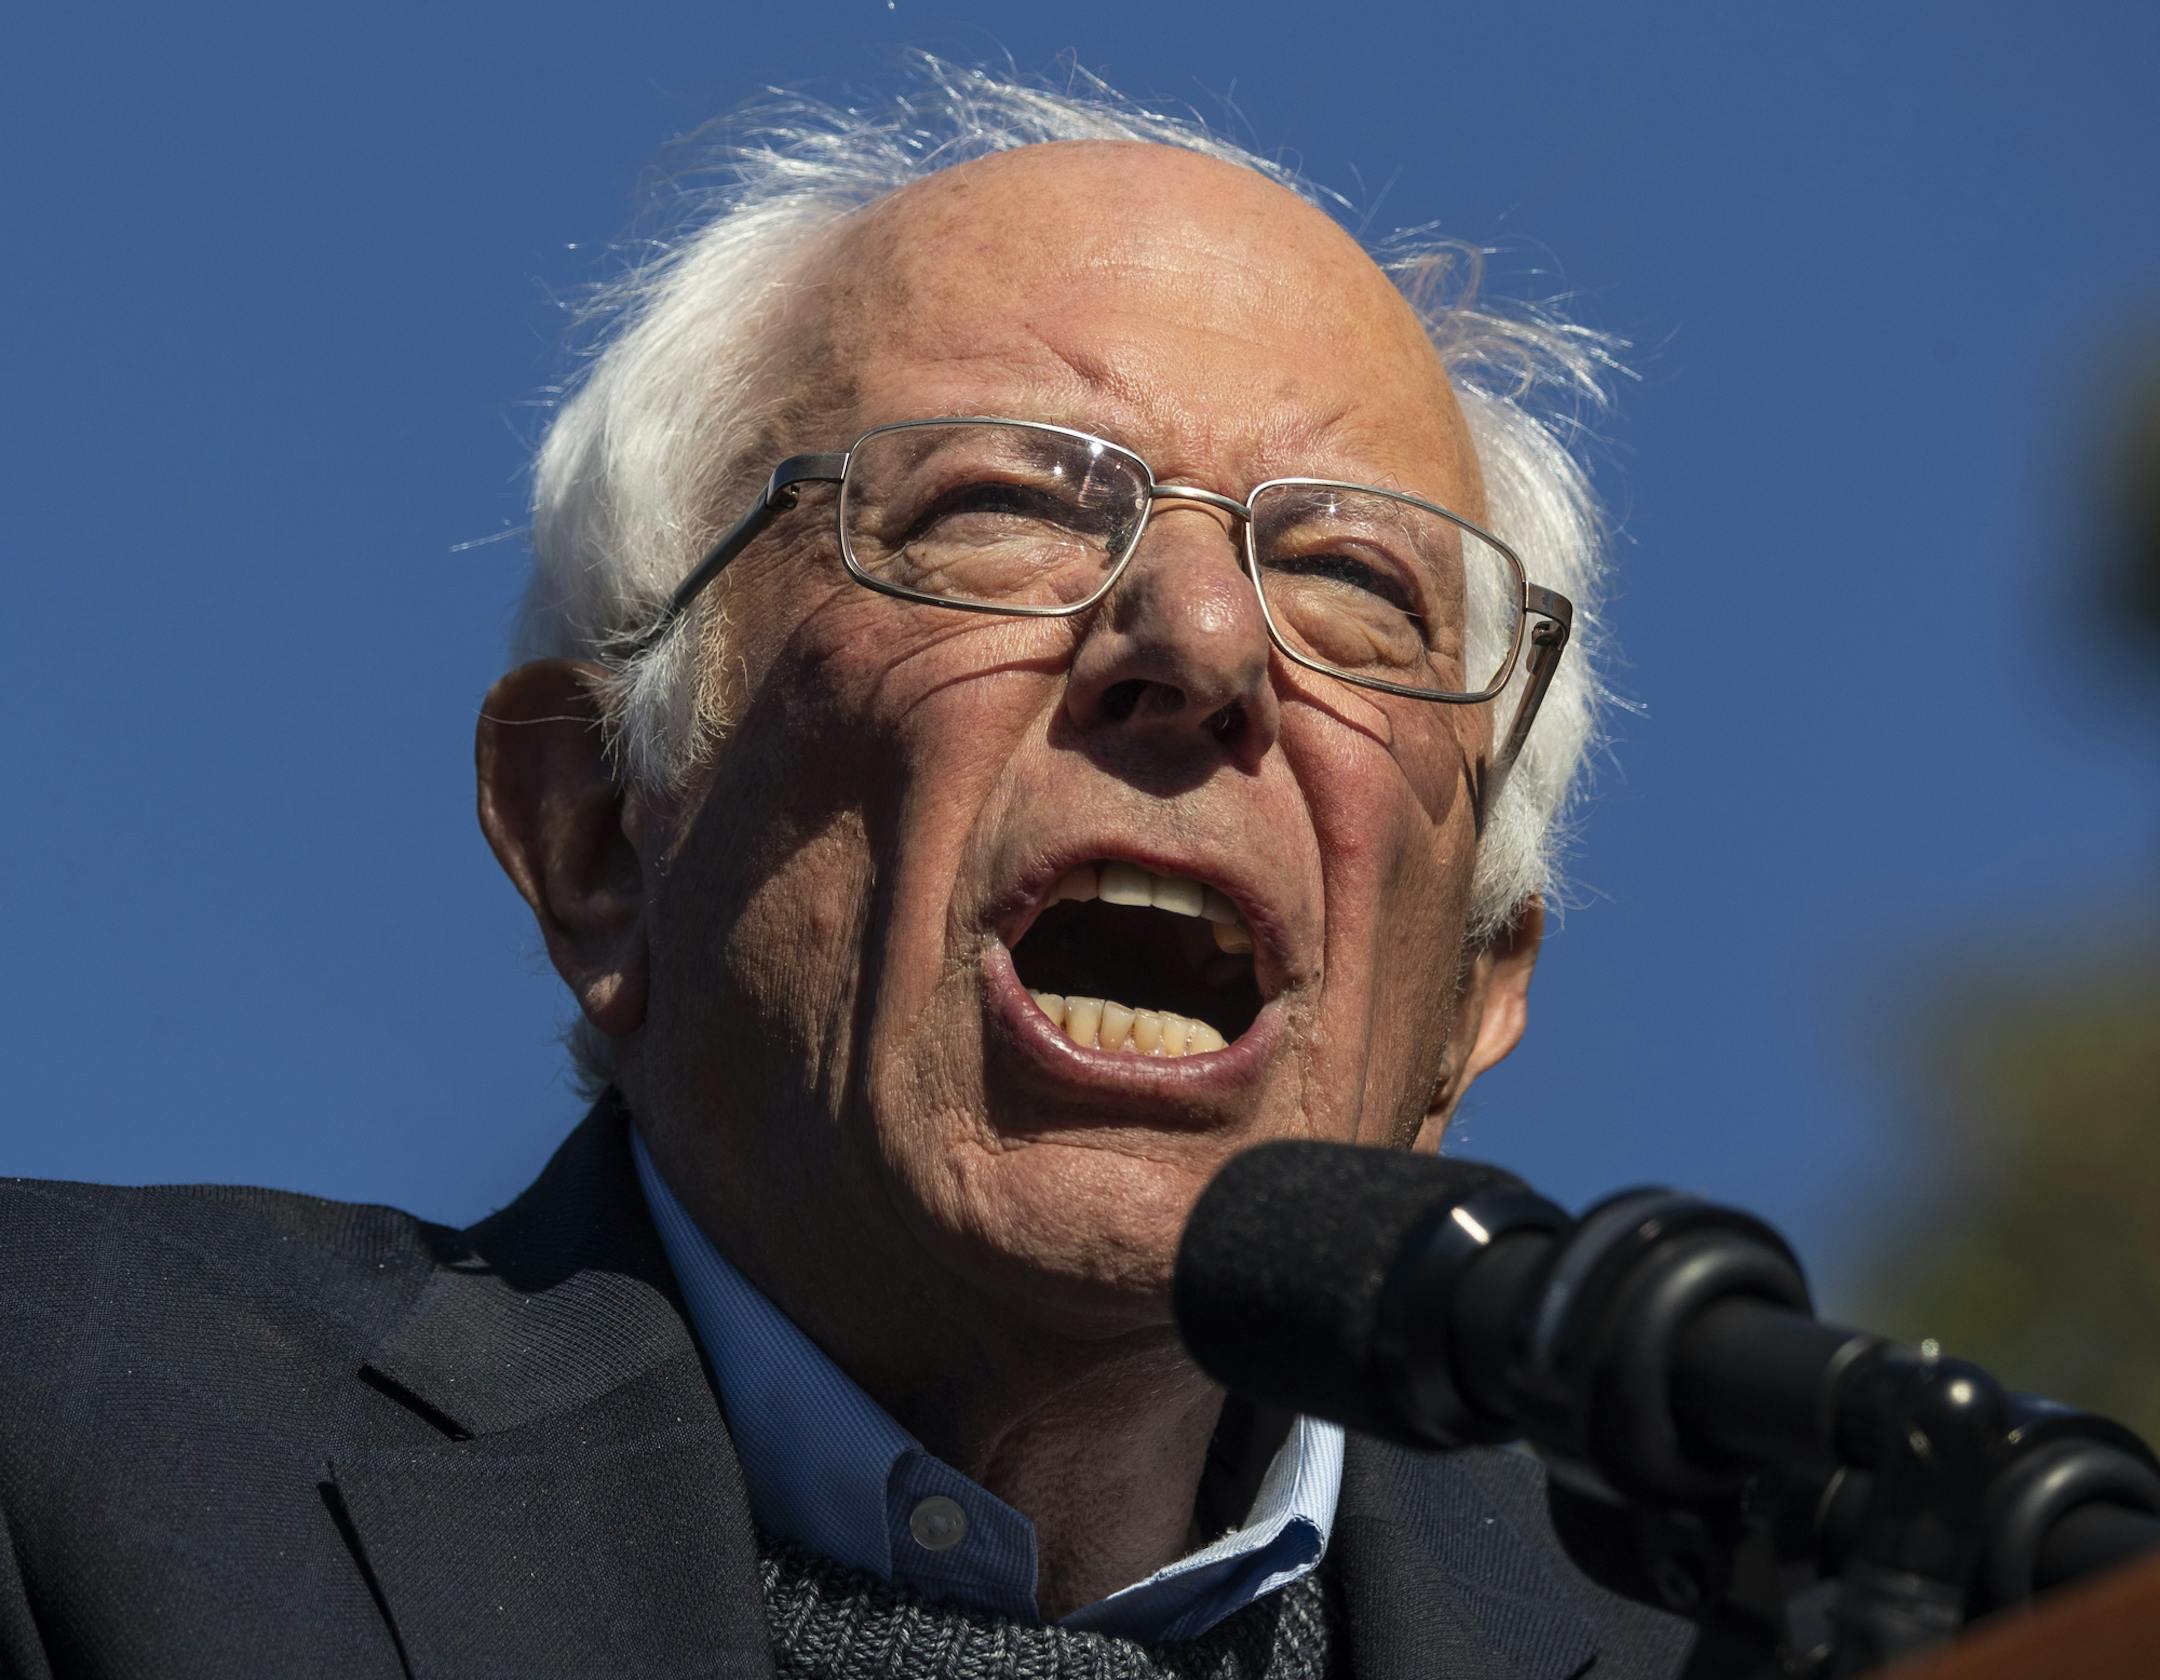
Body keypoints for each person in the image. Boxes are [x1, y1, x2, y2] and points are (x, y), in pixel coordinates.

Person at [0, 67, 1694, 1679]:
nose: (1196, 638)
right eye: (999, 506)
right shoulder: (64, 1441)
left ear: (1469, 996)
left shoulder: (1796, 1637)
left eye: (1356, 587)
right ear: (598, 830)